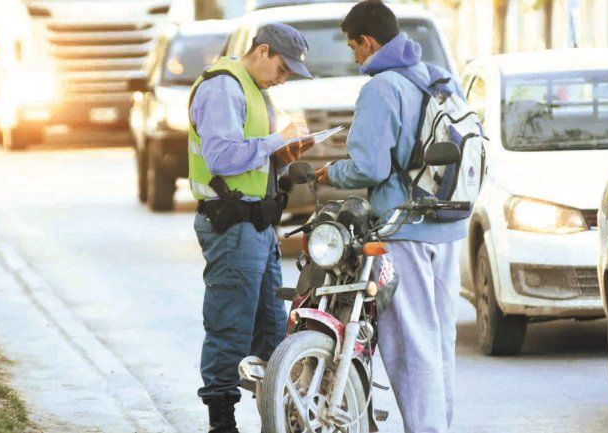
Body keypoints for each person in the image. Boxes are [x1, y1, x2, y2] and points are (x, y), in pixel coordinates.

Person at [315, 1, 467, 432]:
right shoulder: (439, 77)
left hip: (404, 230)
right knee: (440, 340)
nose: (354, 57)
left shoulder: (381, 88)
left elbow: (370, 168)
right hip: (447, 224)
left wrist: (331, 172)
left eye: (353, 47)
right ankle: (439, 425)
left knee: (410, 343)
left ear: (367, 41)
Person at [188, 22, 313, 433]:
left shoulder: (254, 88)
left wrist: (284, 154)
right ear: (262, 51)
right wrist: (277, 140)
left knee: (272, 330)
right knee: (230, 326)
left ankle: (275, 418)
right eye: (283, 68)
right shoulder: (224, 87)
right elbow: (221, 157)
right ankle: (221, 422)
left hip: (257, 226)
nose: (284, 78)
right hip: (233, 224)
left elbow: (251, 154)